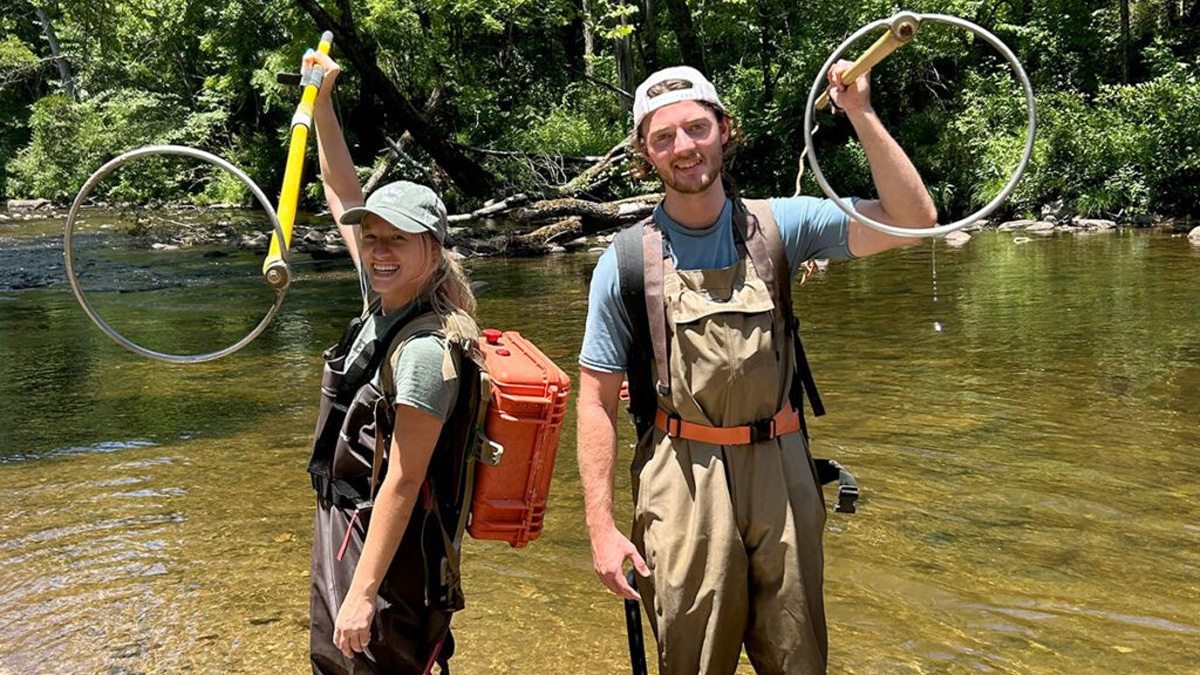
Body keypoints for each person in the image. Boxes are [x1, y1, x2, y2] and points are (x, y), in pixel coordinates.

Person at [576, 64, 938, 674]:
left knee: (798, 658)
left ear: (723, 129)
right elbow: (594, 400)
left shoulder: (780, 226)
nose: (683, 148)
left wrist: (860, 113)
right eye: (663, 138)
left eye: (696, 128)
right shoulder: (624, 263)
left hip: (782, 464)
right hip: (679, 474)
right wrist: (601, 528)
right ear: (645, 152)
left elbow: (913, 219)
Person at [303, 51, 486, 675]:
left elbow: (404, 482)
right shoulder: (382, 296)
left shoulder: (424, 352)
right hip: (345, 525)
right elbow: (339, 191)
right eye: (371, 237)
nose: (378, 251)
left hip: (384, 551)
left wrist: (360, 592)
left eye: (396, 239)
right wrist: (323, 101)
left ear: (432, 251)